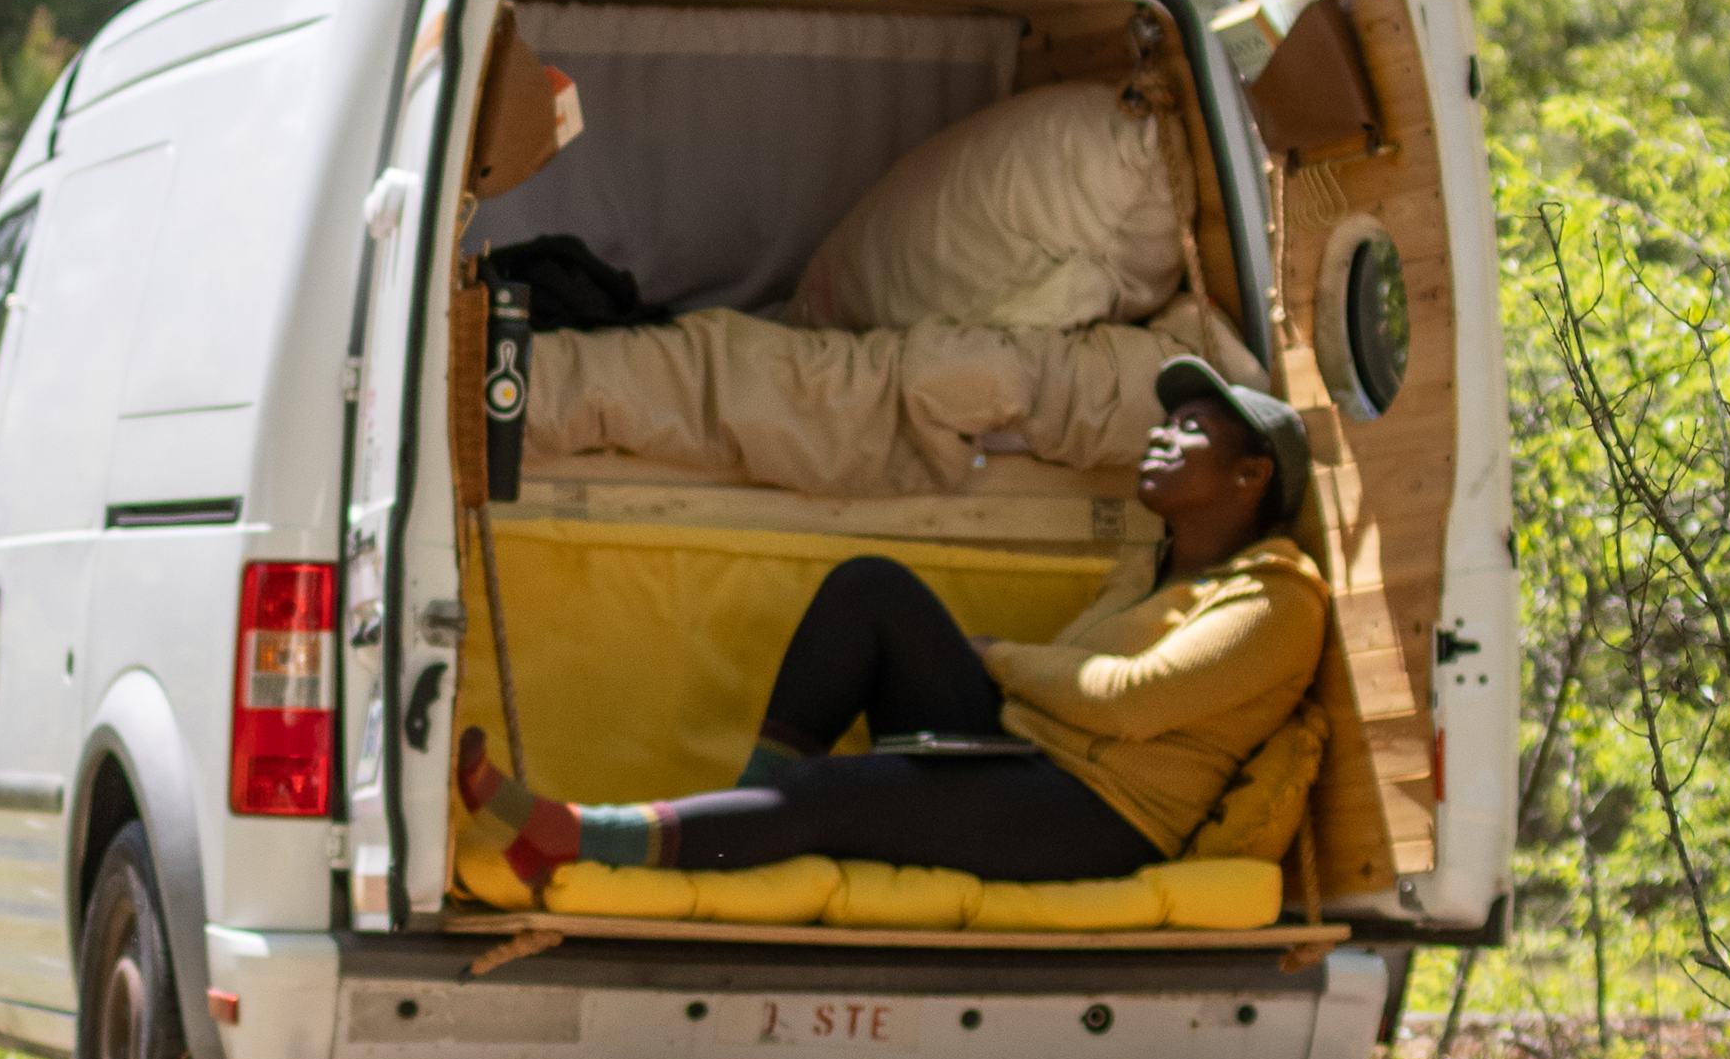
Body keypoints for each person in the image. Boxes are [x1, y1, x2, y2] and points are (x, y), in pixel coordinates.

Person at [459, 362, 1327, 888]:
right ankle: (738, 825)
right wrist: (1005, 678)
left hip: (1100, 820)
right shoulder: (1149, 569)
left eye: (1189, 431)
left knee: (830, 793)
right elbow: (1073, 696)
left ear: (1251, 477)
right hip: (1030, 756)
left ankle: (582, 837)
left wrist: (1002, 658)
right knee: (872, 593)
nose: (1159, 438)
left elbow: (1129, 703)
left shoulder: (1277, 600)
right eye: (1162, 423)